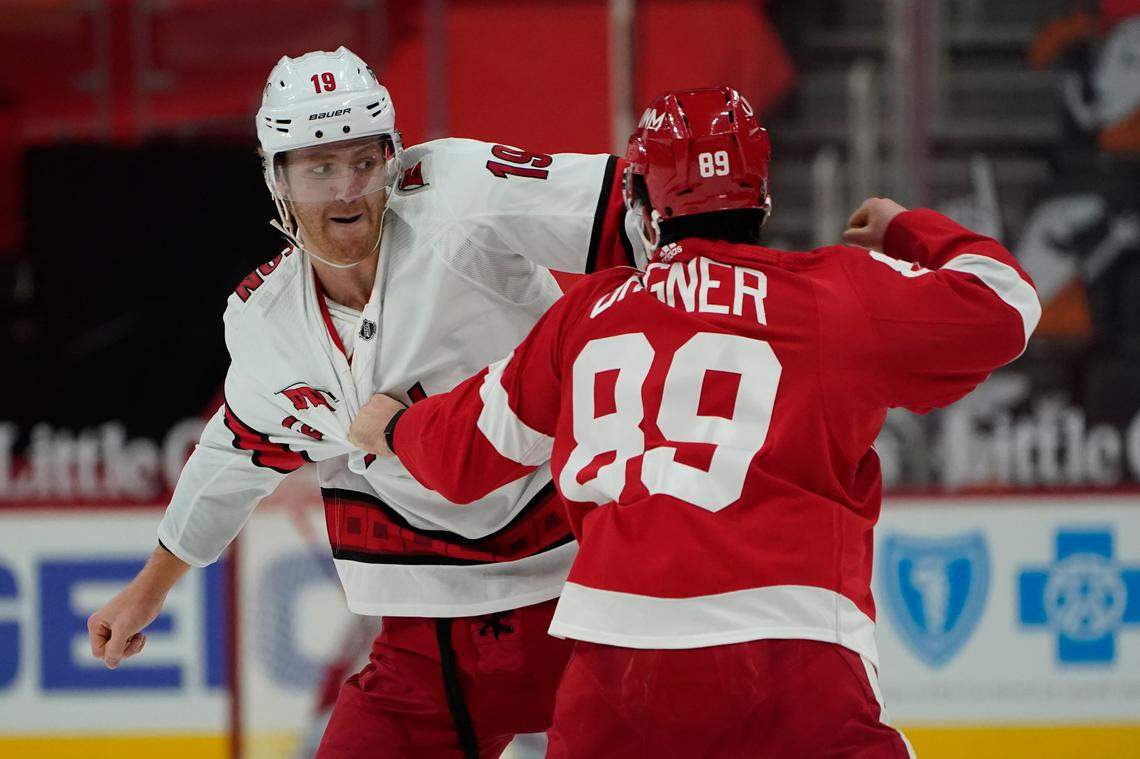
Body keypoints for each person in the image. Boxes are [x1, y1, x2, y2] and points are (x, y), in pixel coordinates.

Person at [349, 86, 1042, 758]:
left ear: (644, 203)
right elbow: (1006, 305)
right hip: (793, 644)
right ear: (761, 196)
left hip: (616, 663)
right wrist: (904, 228)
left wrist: (397, 429)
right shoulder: (836, 294)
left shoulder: (586, 314)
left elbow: (469, 452)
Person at [85, 46, 636, 759]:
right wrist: (150, 588)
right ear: (278, 180)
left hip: (588, 600)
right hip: (425, 642)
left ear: (393, 159)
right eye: (320, 168)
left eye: (363, 162)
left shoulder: (461, 192)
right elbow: (233, 455)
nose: (347, 190)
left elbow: (641, 213)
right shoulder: (264, 324)